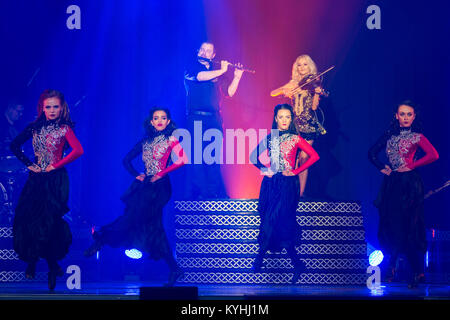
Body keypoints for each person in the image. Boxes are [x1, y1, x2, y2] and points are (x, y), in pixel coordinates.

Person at [84, 107, 188, 286]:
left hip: (160, 187)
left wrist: (162, 173)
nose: (160, 121)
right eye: (156, 118)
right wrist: (136, 174)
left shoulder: (171, 139)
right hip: (145, 185)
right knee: (151, 226)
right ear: (151, 121)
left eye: (164, 118)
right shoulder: (145, 141)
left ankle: (102, 237)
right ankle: (174, 268)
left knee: (139, 219)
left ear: (168, 122)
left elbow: (182, 160)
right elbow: (126, 160)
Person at [9, 89, 84, 290]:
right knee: (29, 220)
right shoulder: (33, 127)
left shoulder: (64, 128)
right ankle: (36, 261)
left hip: (55, 180)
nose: (51, 110)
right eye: (48, 106)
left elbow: (78, 150)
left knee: (49, 223)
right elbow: (14, 145)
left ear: (62, 108)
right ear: (42, 108)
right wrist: (28, 163)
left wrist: (56, 165)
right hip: (36, 179)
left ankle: (51, 266)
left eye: (55, 106)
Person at [368, 101, 439, 288]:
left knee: (409, 226)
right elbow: (371, 153)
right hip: (393, 183)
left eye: (409, 114)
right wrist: (382, 167)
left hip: (410, 184)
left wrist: (412, 165)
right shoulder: (389, 135)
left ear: (414, 117)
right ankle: (398, 267)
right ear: (396, 116)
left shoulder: (417, 136)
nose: (406, 117)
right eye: (402, 114)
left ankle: (415, 271)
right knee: (392, 225)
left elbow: (433, 155)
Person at [251, 104, 319, 284]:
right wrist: (265, 168)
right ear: (275, 119)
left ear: (291, 119)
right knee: (276, 222)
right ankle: (297, 264)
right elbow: (252, 157)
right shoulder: (270, 137)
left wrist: (297, 171)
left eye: (287, 117)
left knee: (275, 219)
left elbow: (314, 156)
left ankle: (259, 257)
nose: (284, 120)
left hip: (288, 185)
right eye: (280, 117)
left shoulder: (296, 138)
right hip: (271, 184)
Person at [183, 42, 244, 199]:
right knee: (197, 156)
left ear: (213, 55)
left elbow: (229, 92)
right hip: (195, 117)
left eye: (208, 51)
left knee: (213, 156)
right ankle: (199, 193)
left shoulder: (218, 74)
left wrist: (237, 77)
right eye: (202, 49)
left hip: (214, 119)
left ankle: (212, 193)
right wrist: (223, 69)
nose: (204, 53)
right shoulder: (191, 66)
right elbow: (199, 77)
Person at [271, 55, 326, 198]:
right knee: (290, 159)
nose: (302, 68)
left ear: (310, 67)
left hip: (308, 125)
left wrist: (316, 94)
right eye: (299, 65)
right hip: (294, 126)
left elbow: (314, 107)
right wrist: (284, 91)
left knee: (304, 157)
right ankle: (291, 190)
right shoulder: (293, 83)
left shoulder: (314, 83)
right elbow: (272, 93)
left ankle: (301, 193)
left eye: (305, 65)